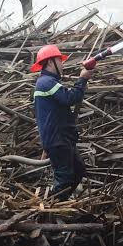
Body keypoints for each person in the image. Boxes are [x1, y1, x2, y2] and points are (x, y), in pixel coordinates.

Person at [31, 44, 93, 201]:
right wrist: (82, 79)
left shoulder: (48, 82)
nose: (62, 64)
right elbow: (70, 98)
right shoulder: (46, 82)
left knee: (78, 171)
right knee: (65, 178)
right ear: (51, 62)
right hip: (58, 139)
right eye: (60, 60)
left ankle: (59, 202)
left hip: (62, 138)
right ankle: (51, 208)